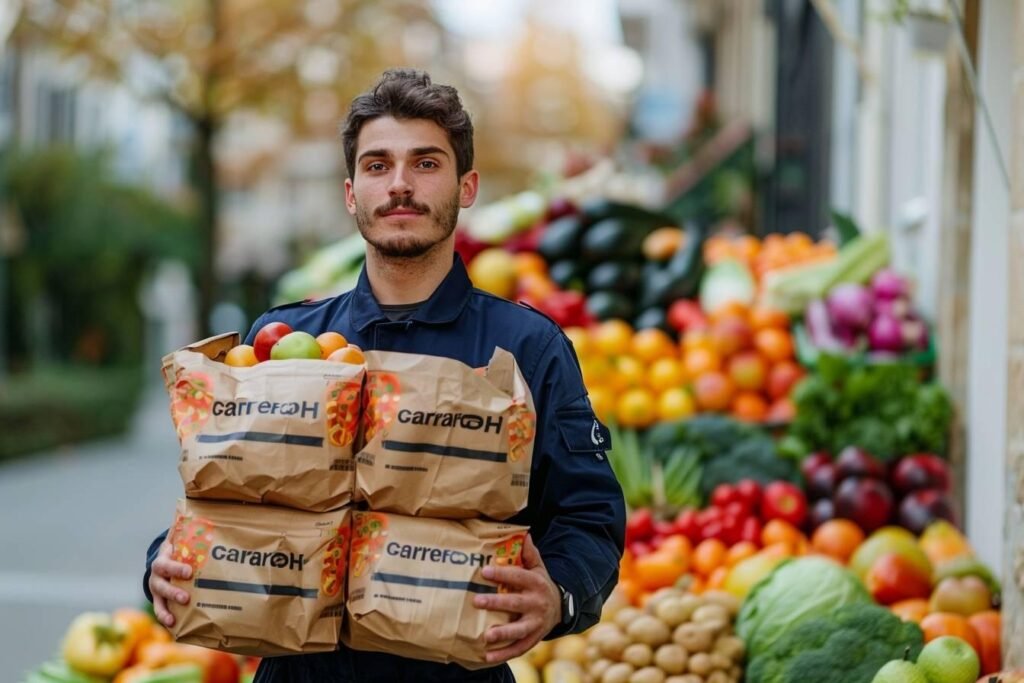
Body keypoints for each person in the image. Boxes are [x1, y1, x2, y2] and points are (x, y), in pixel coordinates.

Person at [144, 68, 625, 682]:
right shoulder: (284, 341)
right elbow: (221, 499)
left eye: (426, 163)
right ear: (351, 193)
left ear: (467, 185)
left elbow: (589, 516)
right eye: (377, 166)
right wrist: (165, 559)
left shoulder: (528, 347)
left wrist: (558, 596)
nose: (400, 184)